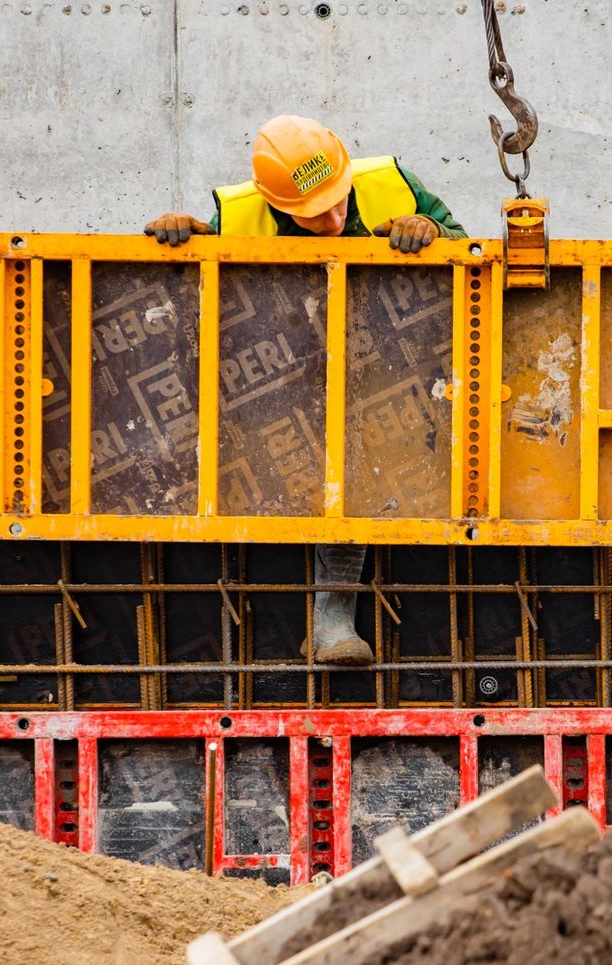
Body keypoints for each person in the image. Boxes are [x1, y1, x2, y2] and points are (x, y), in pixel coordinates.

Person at [145, 116, 468, 666]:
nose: (336, 218)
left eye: (339, 200)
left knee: (359, 459)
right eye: (316, 214)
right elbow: (203, 293)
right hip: (283, 381)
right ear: (278, 204)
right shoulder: (243, 214)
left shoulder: (391, 182)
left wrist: (433, 234)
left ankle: (331, 620)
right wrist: (187, 237)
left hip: (379, 372)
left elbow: (469, 254)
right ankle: (323, 621)